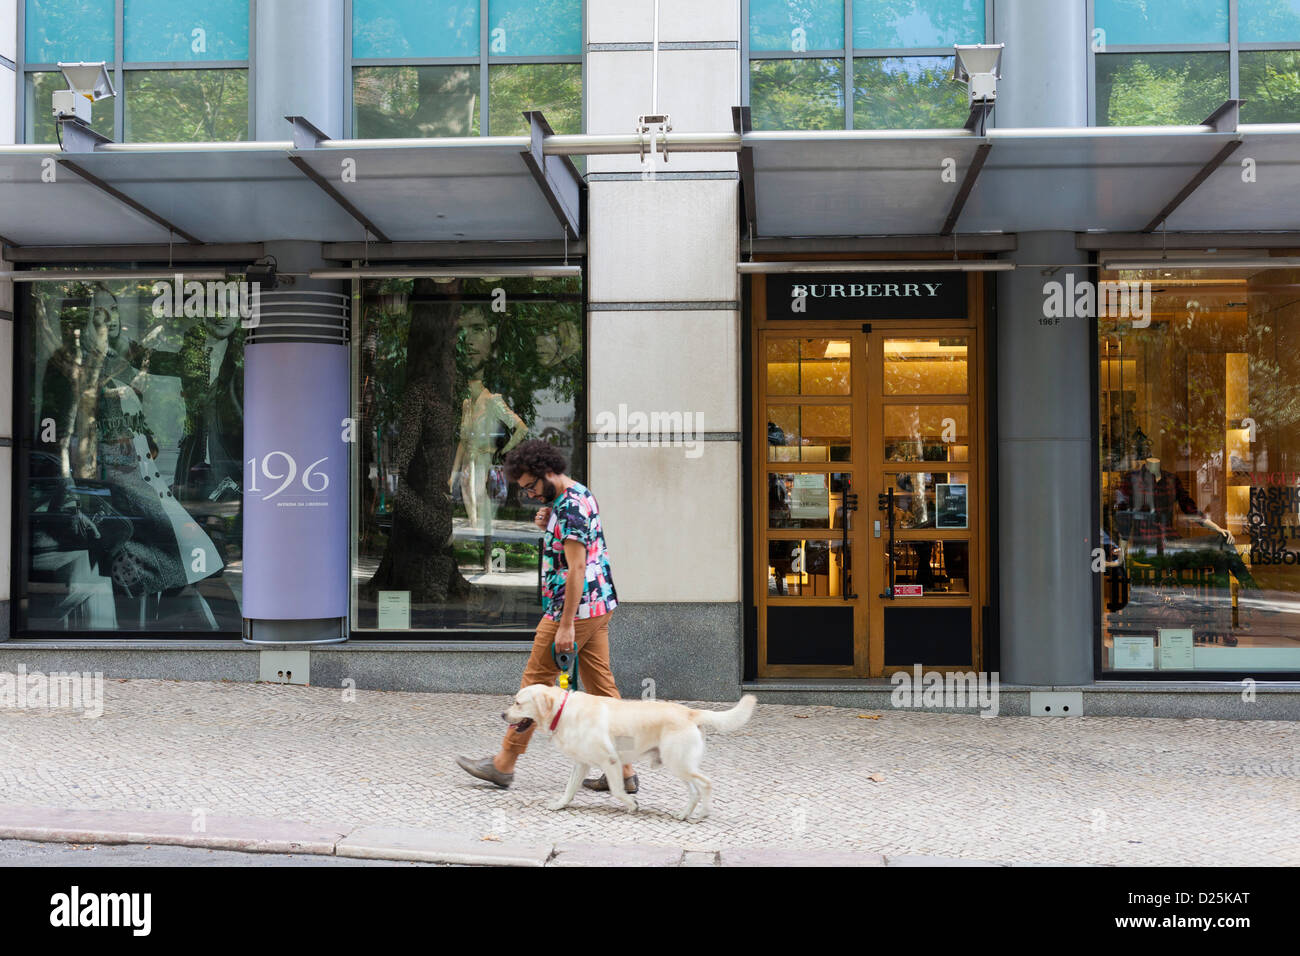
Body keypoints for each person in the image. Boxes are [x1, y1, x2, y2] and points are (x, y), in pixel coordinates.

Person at [455, 438, 634, 792]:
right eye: (525, 490)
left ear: (547, 472)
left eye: (531, 487)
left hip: (575, 610)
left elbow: (577, 568)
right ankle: (626, 771)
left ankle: (503, 763)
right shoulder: (576, 494)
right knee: (605, 693)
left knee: (535, 685)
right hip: (598, 605)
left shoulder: (569, 509)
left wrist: (565, 624)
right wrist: (547, 525)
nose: (531, 495)